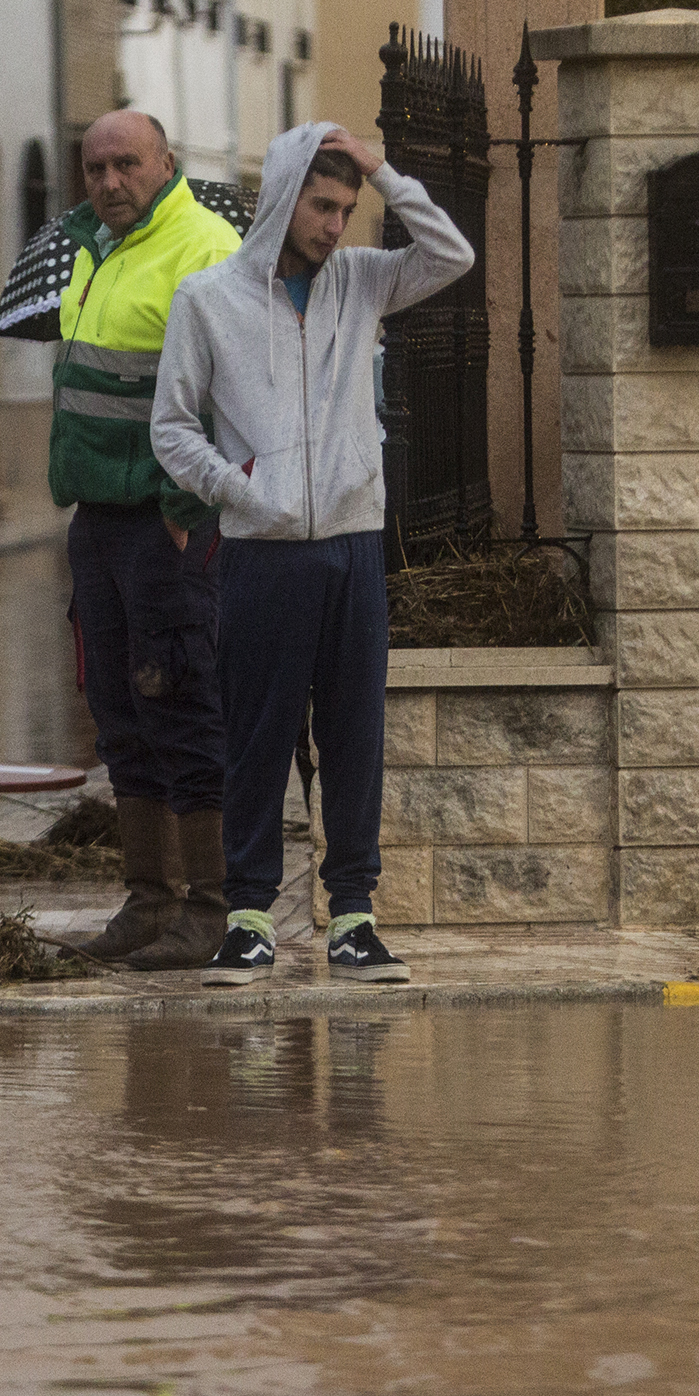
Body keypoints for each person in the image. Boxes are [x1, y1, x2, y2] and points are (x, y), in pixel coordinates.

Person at [149, 122, 474, 986]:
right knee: (256, 735)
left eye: (346, 208)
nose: (335, 224)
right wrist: (242, 490)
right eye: (322, 205)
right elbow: (172, 429)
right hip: (259, 550)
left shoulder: (363, 282)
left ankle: (354, 921)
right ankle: (249, 917)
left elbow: (453, 255)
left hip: (353, 546)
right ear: (284, 197)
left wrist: (385, 170)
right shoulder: (207, 299)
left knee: (354, 735)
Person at [52, 109, 245, 969]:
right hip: (98, 521)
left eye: (126, 164)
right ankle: (145, 901)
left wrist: (178, 511)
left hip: (165, 523)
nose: (109, 182)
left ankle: (209, 908)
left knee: (179, 699)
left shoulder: (200, 247)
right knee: (119, 712)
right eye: (95, 168)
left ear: (166, 160)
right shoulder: (94, 249)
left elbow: (220, 396)